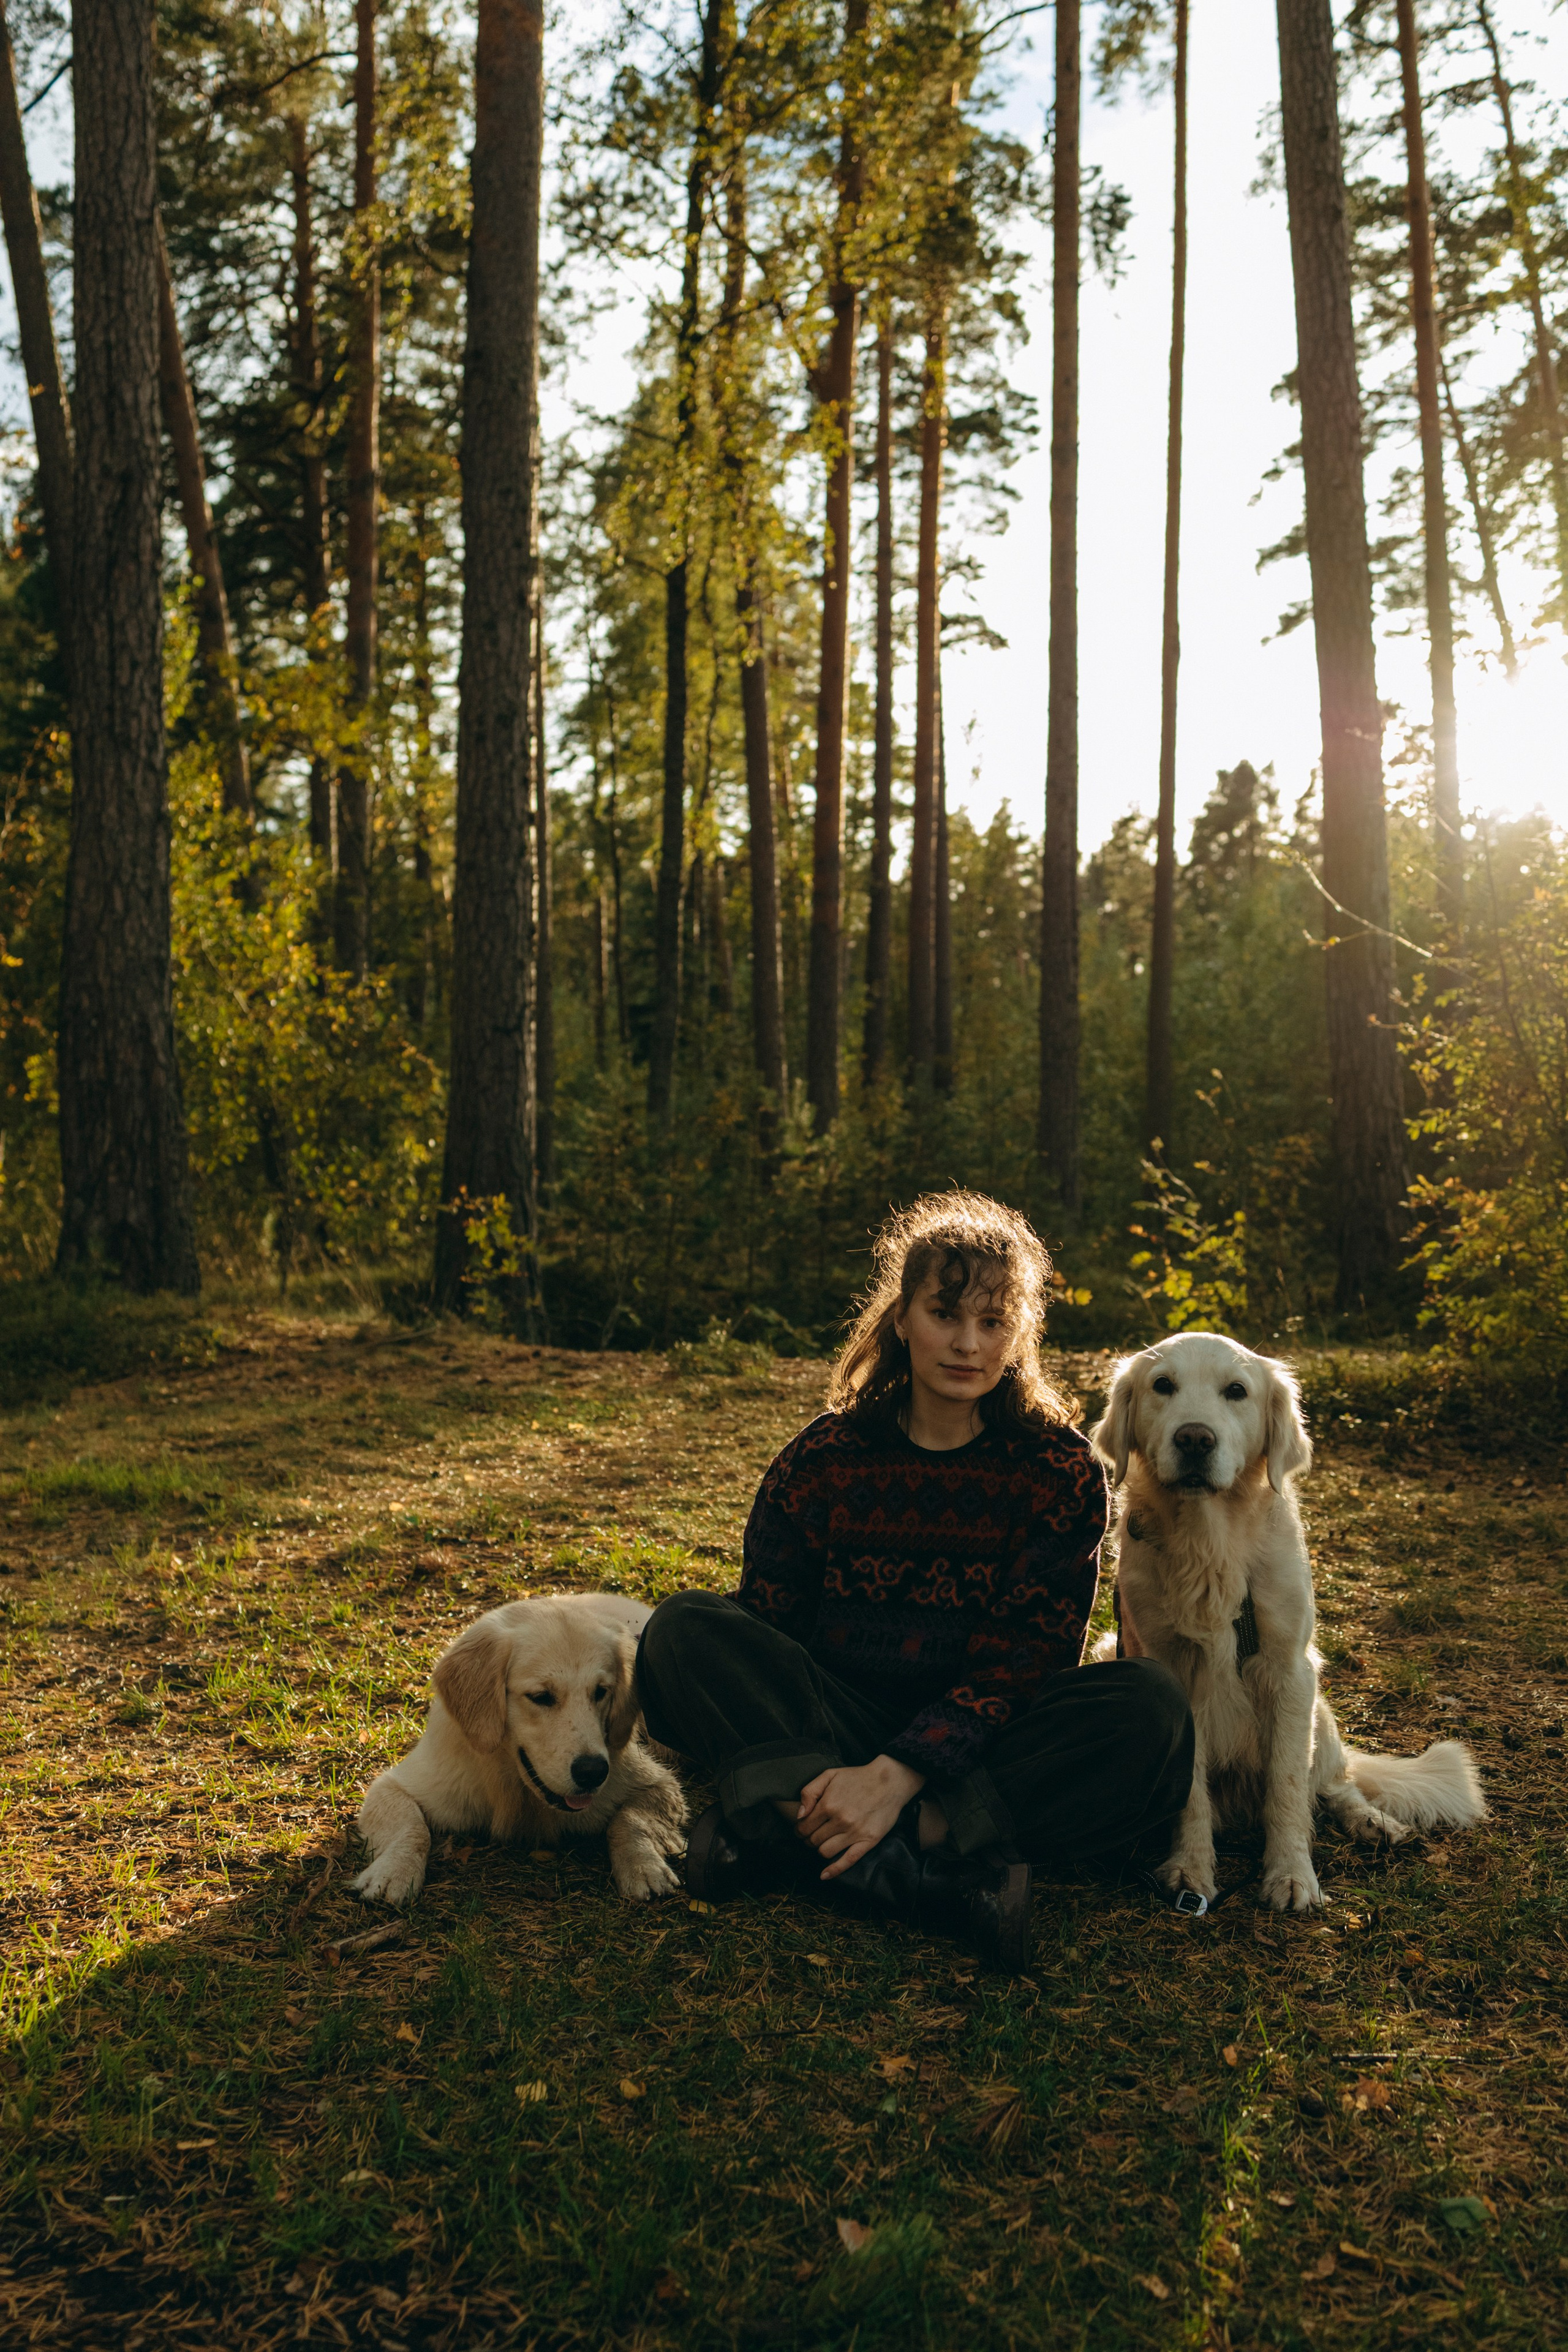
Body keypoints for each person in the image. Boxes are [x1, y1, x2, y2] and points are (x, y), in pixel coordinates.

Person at [636, 1191, 1194, 1970]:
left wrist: (901, 1774)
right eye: (945, 1313)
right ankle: (927, 1875)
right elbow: (769, 1625)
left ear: (1020, 1335)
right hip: (835, 1724)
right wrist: (847, 1758)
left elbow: (1022, 1665)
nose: (968, 1343)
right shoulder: (823, 1458)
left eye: (994, 1322)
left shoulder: (1057, 1469)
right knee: (683, 1630)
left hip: (983, 1742)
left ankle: (786, 1837)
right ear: (901, 1318)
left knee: (1147, 1706)